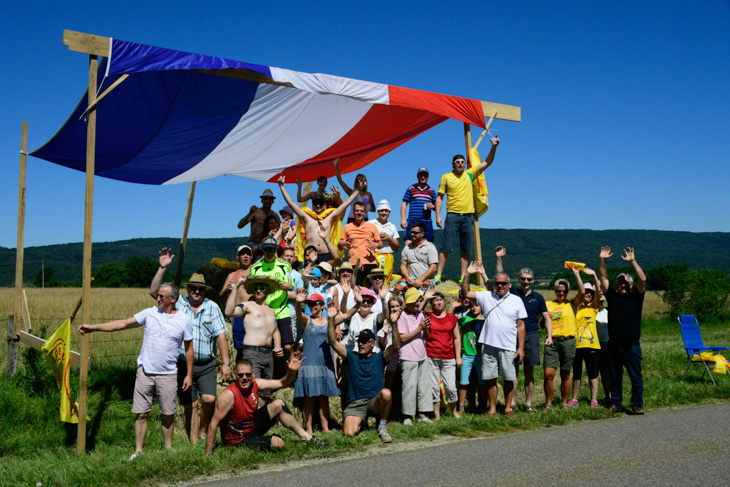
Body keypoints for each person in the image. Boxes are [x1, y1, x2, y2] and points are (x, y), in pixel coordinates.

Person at [78, 283, 193, 459]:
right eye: (158, 296)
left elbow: (189, 348)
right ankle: (138, 451)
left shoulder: (184, 319)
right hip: (145, 372)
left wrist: (189, 375)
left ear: (173, 299)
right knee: (141, 413)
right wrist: (94, 327)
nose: (158, 299)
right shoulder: (149, 313)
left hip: (169, 373)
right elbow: (122, 324)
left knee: (168, 413)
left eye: (162, 296)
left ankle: (168, 450)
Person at [150, 249, 232, 443]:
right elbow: (155, 293)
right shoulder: (178, 304)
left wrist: (226, 363)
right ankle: (193, 442)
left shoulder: (212, 307)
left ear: (205, 291)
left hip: (206, 364)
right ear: (188, 289)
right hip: (182, 364)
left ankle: (203, 430)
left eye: (200, 289)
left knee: (209, 400)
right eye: (193, 288)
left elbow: (221, 336)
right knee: (191, 405)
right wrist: (163, 268)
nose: (197, 291)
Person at [204, 352, 327, 457]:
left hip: (252, 427)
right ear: (236, 376)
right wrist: (208, 454)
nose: (244, 378)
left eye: (248, 374)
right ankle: (269, 440)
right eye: (240, 375)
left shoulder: (256, 384)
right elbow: (214, 424)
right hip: (238, 440)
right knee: (279, 443)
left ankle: (306, 436)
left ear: (253, 374)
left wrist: (292, 372)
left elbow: (282, 383)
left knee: (279, 403)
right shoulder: (228, 395)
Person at [327, 299, 401, 443]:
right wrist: (331, 320)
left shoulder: (380, 357)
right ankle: (363, 421)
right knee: (349, 433)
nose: (361, 343)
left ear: (372, 344)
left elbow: (396, 346)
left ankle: (381, 426)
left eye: (365, 341)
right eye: (359, 340)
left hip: (374, 402)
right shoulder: (351, 356)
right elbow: (333, 342)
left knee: (386, 393)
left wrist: (394, 323)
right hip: (356, 403)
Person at [462, 261, 525, 420]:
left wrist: (521, 347)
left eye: (503, 283)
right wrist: (468, 273)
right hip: (489, 345)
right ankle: (492, 410)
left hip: (508, 345)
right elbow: (465, 293)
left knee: (509, 378)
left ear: (509, 285)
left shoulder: (517, 300)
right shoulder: (487, 296)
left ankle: (508, 409)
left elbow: (521, 325)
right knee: (490, 378)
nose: (500, 285)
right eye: (497, 283)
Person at [494, 246, 553, 413]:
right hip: (513, 336)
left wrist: (549, 335)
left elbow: (546, 317)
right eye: (523, 279)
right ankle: (511, 403)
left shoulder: (539, 297)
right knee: (513, 371)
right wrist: (499, 259)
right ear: (519, 280)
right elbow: (500, 276)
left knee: (530, 371)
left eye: (529, 279)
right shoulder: (512, 293)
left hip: (532, 336)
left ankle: (528, 404)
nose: (526, 282)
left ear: (533, 281)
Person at [434, 137, 500, 283]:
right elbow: (439, 197)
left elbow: (487, 162)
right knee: (446, 247)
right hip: (452, 215)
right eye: (457, 162)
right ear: (452, 164)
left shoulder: (469, 174)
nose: (460, 164)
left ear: (465, 164)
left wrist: (494, 147)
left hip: (468, 217)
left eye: (462, 162)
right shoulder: (446, 177)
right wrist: (438, 215)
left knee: (465, 249)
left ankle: (463, 277)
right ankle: (438, 275)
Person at [598, 246, 647, 415]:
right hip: (614, 345)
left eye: (626, 283)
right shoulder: (612, 296)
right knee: (614, 377)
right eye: (620, 283)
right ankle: (616, 403)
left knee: (635, 377)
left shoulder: (636, 296)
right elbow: (603, 277)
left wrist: (632, 261)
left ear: (631, 285)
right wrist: (602, 260)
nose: (623, 286)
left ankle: (636, 404)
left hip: (631, 346)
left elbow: (643, 279)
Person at [224, 276, 284, 407]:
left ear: (267, 290)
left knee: (265, 391)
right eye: (255, 288)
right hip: (252, 351)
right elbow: (229, 312)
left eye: (262, 288)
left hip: (268, 353)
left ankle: (258, 420)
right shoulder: (248, 305)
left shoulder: (271, 310)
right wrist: (235, 288)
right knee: (252, 387)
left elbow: (276, 331)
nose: (258, 290)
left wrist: (278, 346)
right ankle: (248, 418)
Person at [277, 173, 363, 263]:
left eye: (320, 203)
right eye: (316, 203)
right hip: (310, 256)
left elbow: (347, 202)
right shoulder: (307, 218)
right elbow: (291, 203)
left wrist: (358, 190)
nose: (318, 205)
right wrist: (281, 186)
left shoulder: (329, 218)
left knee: (328, 277)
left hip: (326, 255)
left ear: (325, 205)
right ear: (312, 205)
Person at [293, 292, 340, 434]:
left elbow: (347, 316)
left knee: (324, 397)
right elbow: (298, 314)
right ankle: (309, 429)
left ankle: (326, 428)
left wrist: (357, 303)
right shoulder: (307, 320)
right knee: (310, 398)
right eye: (310, 304)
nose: (312, 306)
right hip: (310, 363)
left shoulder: (329, 320)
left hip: (325, 363)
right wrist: (298, 303)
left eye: (315, 303)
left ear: (322, 305)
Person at [543, 266, 585, 409]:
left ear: (567, 292)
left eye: (564, 291)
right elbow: (542, 325)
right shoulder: (548, 304)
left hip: (568, 341)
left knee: (565, 374)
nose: (561, 293)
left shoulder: (572, 303)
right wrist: (545, 317)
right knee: (548, 374)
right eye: (559, 291)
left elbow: (583, 291)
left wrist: (576, 274)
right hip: (552, 342)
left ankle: (564, 403)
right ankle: (548, 403)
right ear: (555, 291)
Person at [249, 237, 296, 362]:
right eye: (266, 249)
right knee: (266, 346)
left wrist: (275, 283)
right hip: (263, 312)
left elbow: (290, 286)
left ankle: (291, 373)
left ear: (276, 250)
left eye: (272, 249)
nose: (269, 252)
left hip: (281, 311)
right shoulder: (256, 267)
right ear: (262, 249)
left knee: (286, 347)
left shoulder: (285, 265)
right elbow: (251, 289)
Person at [423, 291, 461, 419]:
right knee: (434, 387)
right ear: (431, 304)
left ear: (444, 302)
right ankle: (437, 415)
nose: (438, 302)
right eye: (435, 300)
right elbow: (417, 312)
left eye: (440, 299)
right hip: (431, 356)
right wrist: (425, 298)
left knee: (450, 387)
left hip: (448, 357)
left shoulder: (451, 317)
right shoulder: (428, 315)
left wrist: (458, 356)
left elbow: (457, 338)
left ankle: (454, 412)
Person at [397, 287, 433, 424]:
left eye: (419, 301)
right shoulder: (402, 316)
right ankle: (407, 416)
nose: (418, 304)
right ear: (408, 302)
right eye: (416, 301)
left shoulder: (420, 314)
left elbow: (427, 337)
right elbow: (403, 338)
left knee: (424, 385)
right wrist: (419, 328)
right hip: (408, 356)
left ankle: (422, 414)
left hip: (422, 355)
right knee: (409, 386)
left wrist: (426, 328)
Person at [570, 271, 602, 409]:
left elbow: (599, 291)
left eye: (591, 292)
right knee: (576, 373)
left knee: (593, 373)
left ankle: (594, 400)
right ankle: (574, 399)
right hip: (576, 345)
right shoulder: (575, 307)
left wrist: (595, 275)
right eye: (586, 292)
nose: (588, 294)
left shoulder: (594, 307)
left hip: (592, 346)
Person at [220, 245, 254, 362]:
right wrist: (227, 291)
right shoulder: (232, 275)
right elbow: (222, 297)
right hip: (238, 314)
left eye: (247, 254)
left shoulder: (255, 271)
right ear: (237, 257)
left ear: (251, 256)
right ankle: (240, 373)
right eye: (242, 254)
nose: (245, 256)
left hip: (253, 313)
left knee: (255, 345)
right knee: (240, 348)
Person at [339, 202, 382, 286]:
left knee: (374, 288)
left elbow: (380, 244)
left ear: (365, 213)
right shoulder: (347, 227)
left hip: (370, 263)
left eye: (361, 211)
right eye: (357, 210)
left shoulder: (372, 226)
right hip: (354, 263)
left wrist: (376, 245)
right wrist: (341, 243)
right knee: (355, 288)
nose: (359, 213)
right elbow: (340, 246)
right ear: (353, 212)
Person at [393, 222, 438, 295]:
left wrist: (420, 280)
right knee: (392, 293)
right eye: (411, 232)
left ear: (422, 234)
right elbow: (403, 265)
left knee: (418, 296)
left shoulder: (430, 247)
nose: (412, 234)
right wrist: (407, 277)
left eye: (415, 233)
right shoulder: (407, 248)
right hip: (410, 280)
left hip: (427, 280)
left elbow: (433, 267)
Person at [237, 188, 279, 259]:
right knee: (255, 248)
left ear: (273, 201)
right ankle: (250, 267)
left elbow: (282, 228)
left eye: (270, 199)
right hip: (254, 243)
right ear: (262, 200)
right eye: (265, 199)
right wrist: (249, 213)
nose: (267, 201)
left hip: (268, 244)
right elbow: (240, 225)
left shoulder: (275, 215)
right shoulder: (256, 213)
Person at [401, 167, 437, 245]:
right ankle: (408, 257)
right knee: (408, 242)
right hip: (413, 220)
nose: (423, 177)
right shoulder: (411, 189)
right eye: (421, 175)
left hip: (426, 221)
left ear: (428, 177)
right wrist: (403, 219)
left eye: (425, 175)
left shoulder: (432, 191)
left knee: (428, 244)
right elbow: (404, 204)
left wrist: (432, 206)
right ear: (417, 176)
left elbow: (437, 207)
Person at [334, 157, 375, 222]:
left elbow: (374, 209)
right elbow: (340, 180)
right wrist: (336, 166)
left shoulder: (368, 194)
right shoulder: (351, 192)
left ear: (365, 182)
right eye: (357, 180)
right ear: (355, 182)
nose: (359, 182)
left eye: (361, 180)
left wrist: (366, 208)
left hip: (364, 220)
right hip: (352, 219)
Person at [371, 199, 400, 283]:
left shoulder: (392, 226)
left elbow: (396, 247)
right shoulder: (371, 223)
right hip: (374, 256)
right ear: (378, 211)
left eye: (386, 211)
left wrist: (389, 238)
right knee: (373, 280)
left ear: (389, 212)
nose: (384, 213)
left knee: (386, 281)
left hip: (388, 257)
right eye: (381, 211)